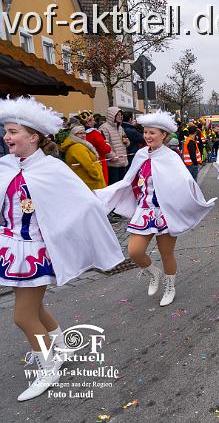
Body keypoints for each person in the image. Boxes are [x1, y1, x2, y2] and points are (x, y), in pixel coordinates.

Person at [0, 96, 124, 401]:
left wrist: (66, 233)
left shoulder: (52, 169)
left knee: (22, 316)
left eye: (13, 131)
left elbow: (82, 204)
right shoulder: (6, 166)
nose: (6, 137)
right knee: (35, 308)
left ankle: (48, 366)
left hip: (35, 253)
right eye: (5, 131)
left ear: (34, 137)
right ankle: (61, 345)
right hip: (10, 249)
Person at [96, 111, 216, 307]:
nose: (148, 136)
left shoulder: (171, 157)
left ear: (163, 135)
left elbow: (185, 182)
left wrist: (190, 201)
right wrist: (106, 195)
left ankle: (170, 286)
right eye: (145, 132)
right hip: (144, 211)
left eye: (152, 133)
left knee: (166, 253)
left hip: (165, 213)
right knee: (135, 251)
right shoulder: (141, 154)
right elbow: (129, 181)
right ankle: (154, 273)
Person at [59, 125, 106, 190]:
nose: (83, 135)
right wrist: (96, 175)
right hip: (89, 181)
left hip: (86, 179)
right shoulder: (77, 147)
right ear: (74, 135)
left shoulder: (79, 144)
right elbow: (88, 164)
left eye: (84, 133)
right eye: (80, 133)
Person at [77, 110, 112, 185]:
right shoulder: (94, 134)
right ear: (88, 122)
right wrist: (108, 145)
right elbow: (105, 149)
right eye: (92, 120)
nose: (94, 122)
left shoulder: (77, 134)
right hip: (98, 162)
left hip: (84, 162)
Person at [99, 107, 130, 184]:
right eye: (118, 115)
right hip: (112, 164)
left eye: (121, 115)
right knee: (114, 185)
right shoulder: (104, 128)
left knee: (122, 185)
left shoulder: (120, 128)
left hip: (123, 162)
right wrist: (113, 156)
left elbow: (126, 140)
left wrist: (127, 142)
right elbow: (104, 144)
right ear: (111, 116)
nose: (120, 117)